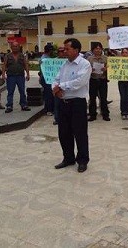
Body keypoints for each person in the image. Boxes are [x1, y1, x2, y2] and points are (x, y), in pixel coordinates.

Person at [52, 38, 92, 173]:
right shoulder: (64, 65)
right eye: (64, 48)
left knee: (80, 133)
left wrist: (60, 87)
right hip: (63, 103)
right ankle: (68, 158)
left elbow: (79, 82)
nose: (64, 51)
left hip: (77, 103)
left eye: (67, 49)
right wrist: (55, 89)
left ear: (76, 50)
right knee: (64, 133)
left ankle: (82, 160)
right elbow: (56, 79)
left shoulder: (84, 64)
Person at [2, 42, 31, 113]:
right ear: (11, 47)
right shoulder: (7, 56)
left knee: (22, 91)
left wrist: (28, 74)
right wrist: (3, 74)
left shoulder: (22, 55)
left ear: (19, 47)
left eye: (17, 46)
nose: (15, 48)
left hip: (20, 76)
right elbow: (4, 65)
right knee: (10, 92)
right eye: (14, 46)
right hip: (11, 76)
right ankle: (9, 106)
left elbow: (26, 64)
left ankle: (23, 105)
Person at [87, 42, 110, 121]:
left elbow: (110, 68)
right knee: (92, 98)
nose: (98, 50)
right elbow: (85, 69)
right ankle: (92, 114)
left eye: (99, 48)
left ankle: (105, 114)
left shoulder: (105, 58)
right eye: (96, 48)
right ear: (93, 50)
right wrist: (90, 70)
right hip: (93, 80)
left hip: (102, 79)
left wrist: (106, 69)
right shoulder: (89, 59)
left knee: (103, 98)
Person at [39, 44, 55, 116]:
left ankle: (50, 108)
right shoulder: (44, 59)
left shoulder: (47, 57)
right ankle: (48, 109)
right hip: (46, 78)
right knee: (48, 94)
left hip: (47, 78)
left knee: (49, 94)